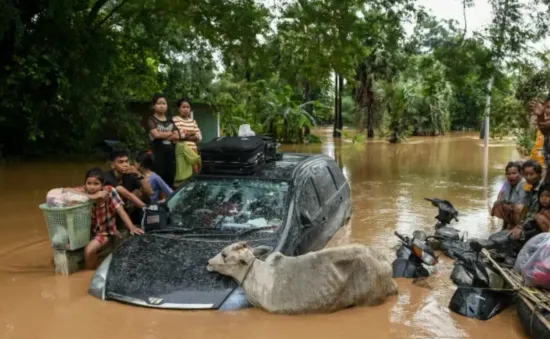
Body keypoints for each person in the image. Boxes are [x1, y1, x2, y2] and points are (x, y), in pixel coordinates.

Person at [64, 168, 144, 269]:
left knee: (89, 250)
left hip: (105, 232)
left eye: (96, 184)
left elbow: (121, 211)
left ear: (102, 184)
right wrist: (91, 197)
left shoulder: (110, 191)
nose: (92, 187)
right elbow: (64, 190)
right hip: (86, 231)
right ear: (85, 184)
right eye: (89, 183)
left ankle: (90, 275)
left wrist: (132, 227)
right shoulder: (84, 191)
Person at [104, 149, 152, 223]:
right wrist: (147, 208)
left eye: (126, 161)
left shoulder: (129, 175)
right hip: (111, 210)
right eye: (121, 162)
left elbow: (150, 193)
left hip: (125, 206)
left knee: (140, 192)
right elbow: (126, 194)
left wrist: (139, 175)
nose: (125, 164)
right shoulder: (107, 177)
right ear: (112, 165)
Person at [148, 93, 179, 187]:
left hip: (170, 155)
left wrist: (162, 134)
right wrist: (170, 133)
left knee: (170, 179)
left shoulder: (170, 120)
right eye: (159, 103)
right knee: (158, 180)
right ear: (154, 105)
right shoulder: (151, 120)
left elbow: (177, 136)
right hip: (158, 155)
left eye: (164, 103)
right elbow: (156, 135)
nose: (162, 106)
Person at [508, 160, 544, 241]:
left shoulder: (542, 189)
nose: (528, 177)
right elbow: (528, 208)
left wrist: (520, 227)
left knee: (517, 237)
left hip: (543, 222)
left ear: (539, 174)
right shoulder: (533, 187)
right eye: (526, 174)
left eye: (531, 174)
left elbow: (534, 212)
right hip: (534, 221)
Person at [172, 98, 202, 185]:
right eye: (183, 107)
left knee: (194, 175)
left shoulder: (193, 121)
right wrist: (192, 134)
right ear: (179, 108)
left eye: (188, 107)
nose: (186, 109)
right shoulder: (175, 119)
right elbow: (179, 135)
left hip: (193, 151)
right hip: (182, 152)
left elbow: (199, 137)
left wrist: (185, 135)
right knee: (184, 176)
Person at [491, 161, 526, 230]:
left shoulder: (523, 184)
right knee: (498, 204)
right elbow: (501, 193)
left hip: (521, 210)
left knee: (517, 209)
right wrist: (498, 202)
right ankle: (506, 225)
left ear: (520, 174)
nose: (511, 176)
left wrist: (510, 206)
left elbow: (522, 204)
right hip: (510, 205)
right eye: (509, 174)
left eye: (514, 173)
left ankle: (519, 228)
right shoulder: (506, 182)